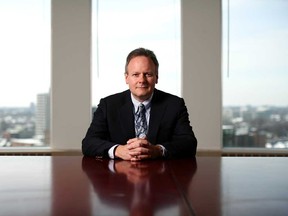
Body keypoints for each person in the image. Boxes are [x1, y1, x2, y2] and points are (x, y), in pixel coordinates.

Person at [82, 47, 197, 160]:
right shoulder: (108, 105)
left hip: (161, 174)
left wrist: (158, 150)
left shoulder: (175, 105)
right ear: (126, 78)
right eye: (136, 74)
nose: (142, 80)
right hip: (119, 175)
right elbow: (88, 143)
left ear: (156, 77)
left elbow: (189, 143)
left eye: (148, 74)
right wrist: (118, 150)